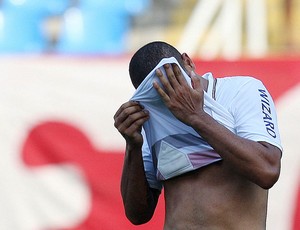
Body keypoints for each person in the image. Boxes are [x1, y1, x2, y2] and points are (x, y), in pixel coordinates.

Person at [113, 41, 282, 229]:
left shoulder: (241, 90)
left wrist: (195, 116)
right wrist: (132, 146)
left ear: (188, 62)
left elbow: (267, 170)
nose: (168, 95)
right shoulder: (153, 117)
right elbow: (137, 215)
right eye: (155, 94)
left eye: (175, 81)